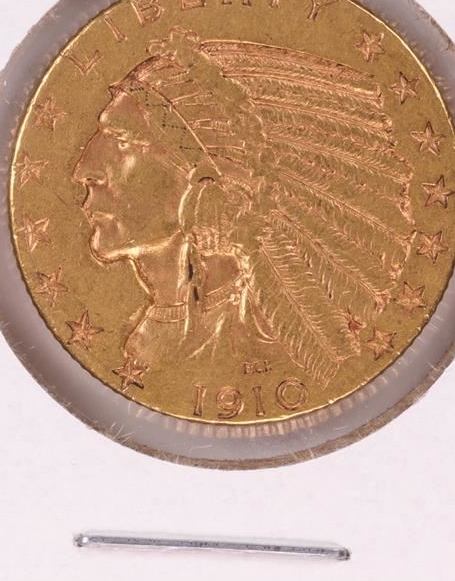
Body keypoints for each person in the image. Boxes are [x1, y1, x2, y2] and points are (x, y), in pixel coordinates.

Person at [73, 28, 415, 386]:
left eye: (122, 141)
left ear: (209, 178)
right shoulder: (159, 338)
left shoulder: (248, 341)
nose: (83, 171)